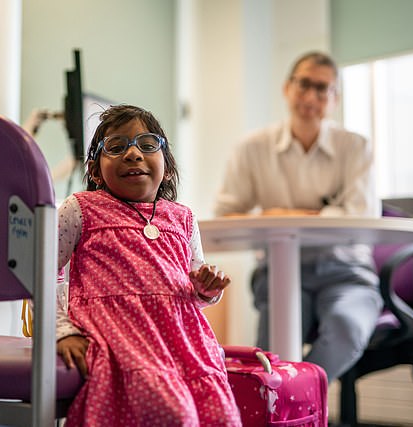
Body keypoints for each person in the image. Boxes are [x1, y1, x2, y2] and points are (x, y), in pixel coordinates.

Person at [56, 104, 241, 426]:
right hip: (122, 339)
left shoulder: (182, 217)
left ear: (166, 167)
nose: (133, 154)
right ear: (96, 171)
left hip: (185, 342)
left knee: (221, 415)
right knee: (172, 413)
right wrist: (62, 332)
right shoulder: (81, 208)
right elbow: (42, 273)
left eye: (147, 144)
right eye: (115, 147)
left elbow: (195, 289)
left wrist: (207, 288)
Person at [213, 51, 383, 383]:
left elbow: (360, 215)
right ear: (287, 88)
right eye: (304, 84)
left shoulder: (356, 147)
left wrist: (279, 214)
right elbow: (226, 214)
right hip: (280, 271)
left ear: (335, 99)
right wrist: (310, 214)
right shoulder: (251, 148)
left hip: (346, 272)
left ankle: (293, 399)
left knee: (347, 331)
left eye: (323, 89)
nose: (310, 96)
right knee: (273, 352)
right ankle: (288, 405)